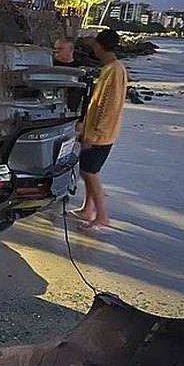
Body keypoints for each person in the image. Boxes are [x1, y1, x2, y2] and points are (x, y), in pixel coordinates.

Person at [70, 30, 128, 231]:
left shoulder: (115, 70)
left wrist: (94, 134)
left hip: (101, 135)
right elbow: (97, 104)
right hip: (97, 132)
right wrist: (84, 125)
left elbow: (109, 106)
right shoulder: (111, 68)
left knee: (90, 172)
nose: (92, 48)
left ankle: (102, 215)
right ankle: (87, 208)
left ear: (100, 46)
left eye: (95, 45)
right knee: (87, 172)